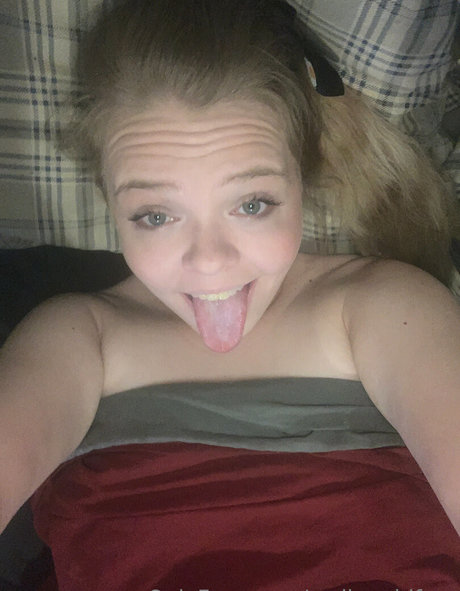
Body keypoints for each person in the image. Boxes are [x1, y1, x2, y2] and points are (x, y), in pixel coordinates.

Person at [0, 0, 459, 587]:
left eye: (251, 204)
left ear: (301, 180)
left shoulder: (384, 306)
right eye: (156, 215)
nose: (210, 261)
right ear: (110, 202)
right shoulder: (77, 338)